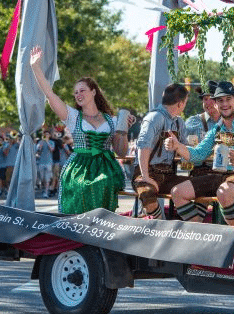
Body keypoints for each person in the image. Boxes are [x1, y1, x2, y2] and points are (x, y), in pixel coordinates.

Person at [30, 45, 132, 214]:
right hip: (79, 166)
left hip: (105, 166)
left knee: (103, 184)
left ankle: (99, 231)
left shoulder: (112, 120)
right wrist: (36, 67)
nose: (78, 94)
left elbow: (121, 152)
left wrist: (123, 129)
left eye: (82, 90)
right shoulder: (73, 116)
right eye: (76, 92)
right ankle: (79, 234)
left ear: (93, 92)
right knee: (81, 189)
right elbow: (50, 94)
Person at [166, 81, 234, 227]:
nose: (224, 104)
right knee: (177, 192)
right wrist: (178, 146)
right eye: (220, 100)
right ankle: (200, 233)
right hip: (222, 177)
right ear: (216, 104)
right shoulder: (217, 129)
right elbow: (199, 154)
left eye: (228, 99)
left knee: (224, 193)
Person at [131, 83, 191, 219]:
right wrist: (146, 177)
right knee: (147, 194)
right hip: (146, 172)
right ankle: (161, 225)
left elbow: (184, 148)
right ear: (180, 104)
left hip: (167, 174)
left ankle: (191, 228)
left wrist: (179, 147)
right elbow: (142, 147)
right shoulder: (154, 117)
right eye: (185, 102)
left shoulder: (179, 122)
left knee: (197, 187)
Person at [36, 129, 55, 198]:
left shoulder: (51, 142)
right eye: (45, 134)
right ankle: (44, 189)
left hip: (48, 162)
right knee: (42, 178)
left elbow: (52, 150)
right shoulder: (40, 142)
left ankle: (46, 192)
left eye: (47, 134)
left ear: (49, 135)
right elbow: (38, 150)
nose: (46, 136)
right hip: (41, 162)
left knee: (47, 178)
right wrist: (41, 143)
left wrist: (47, 142)